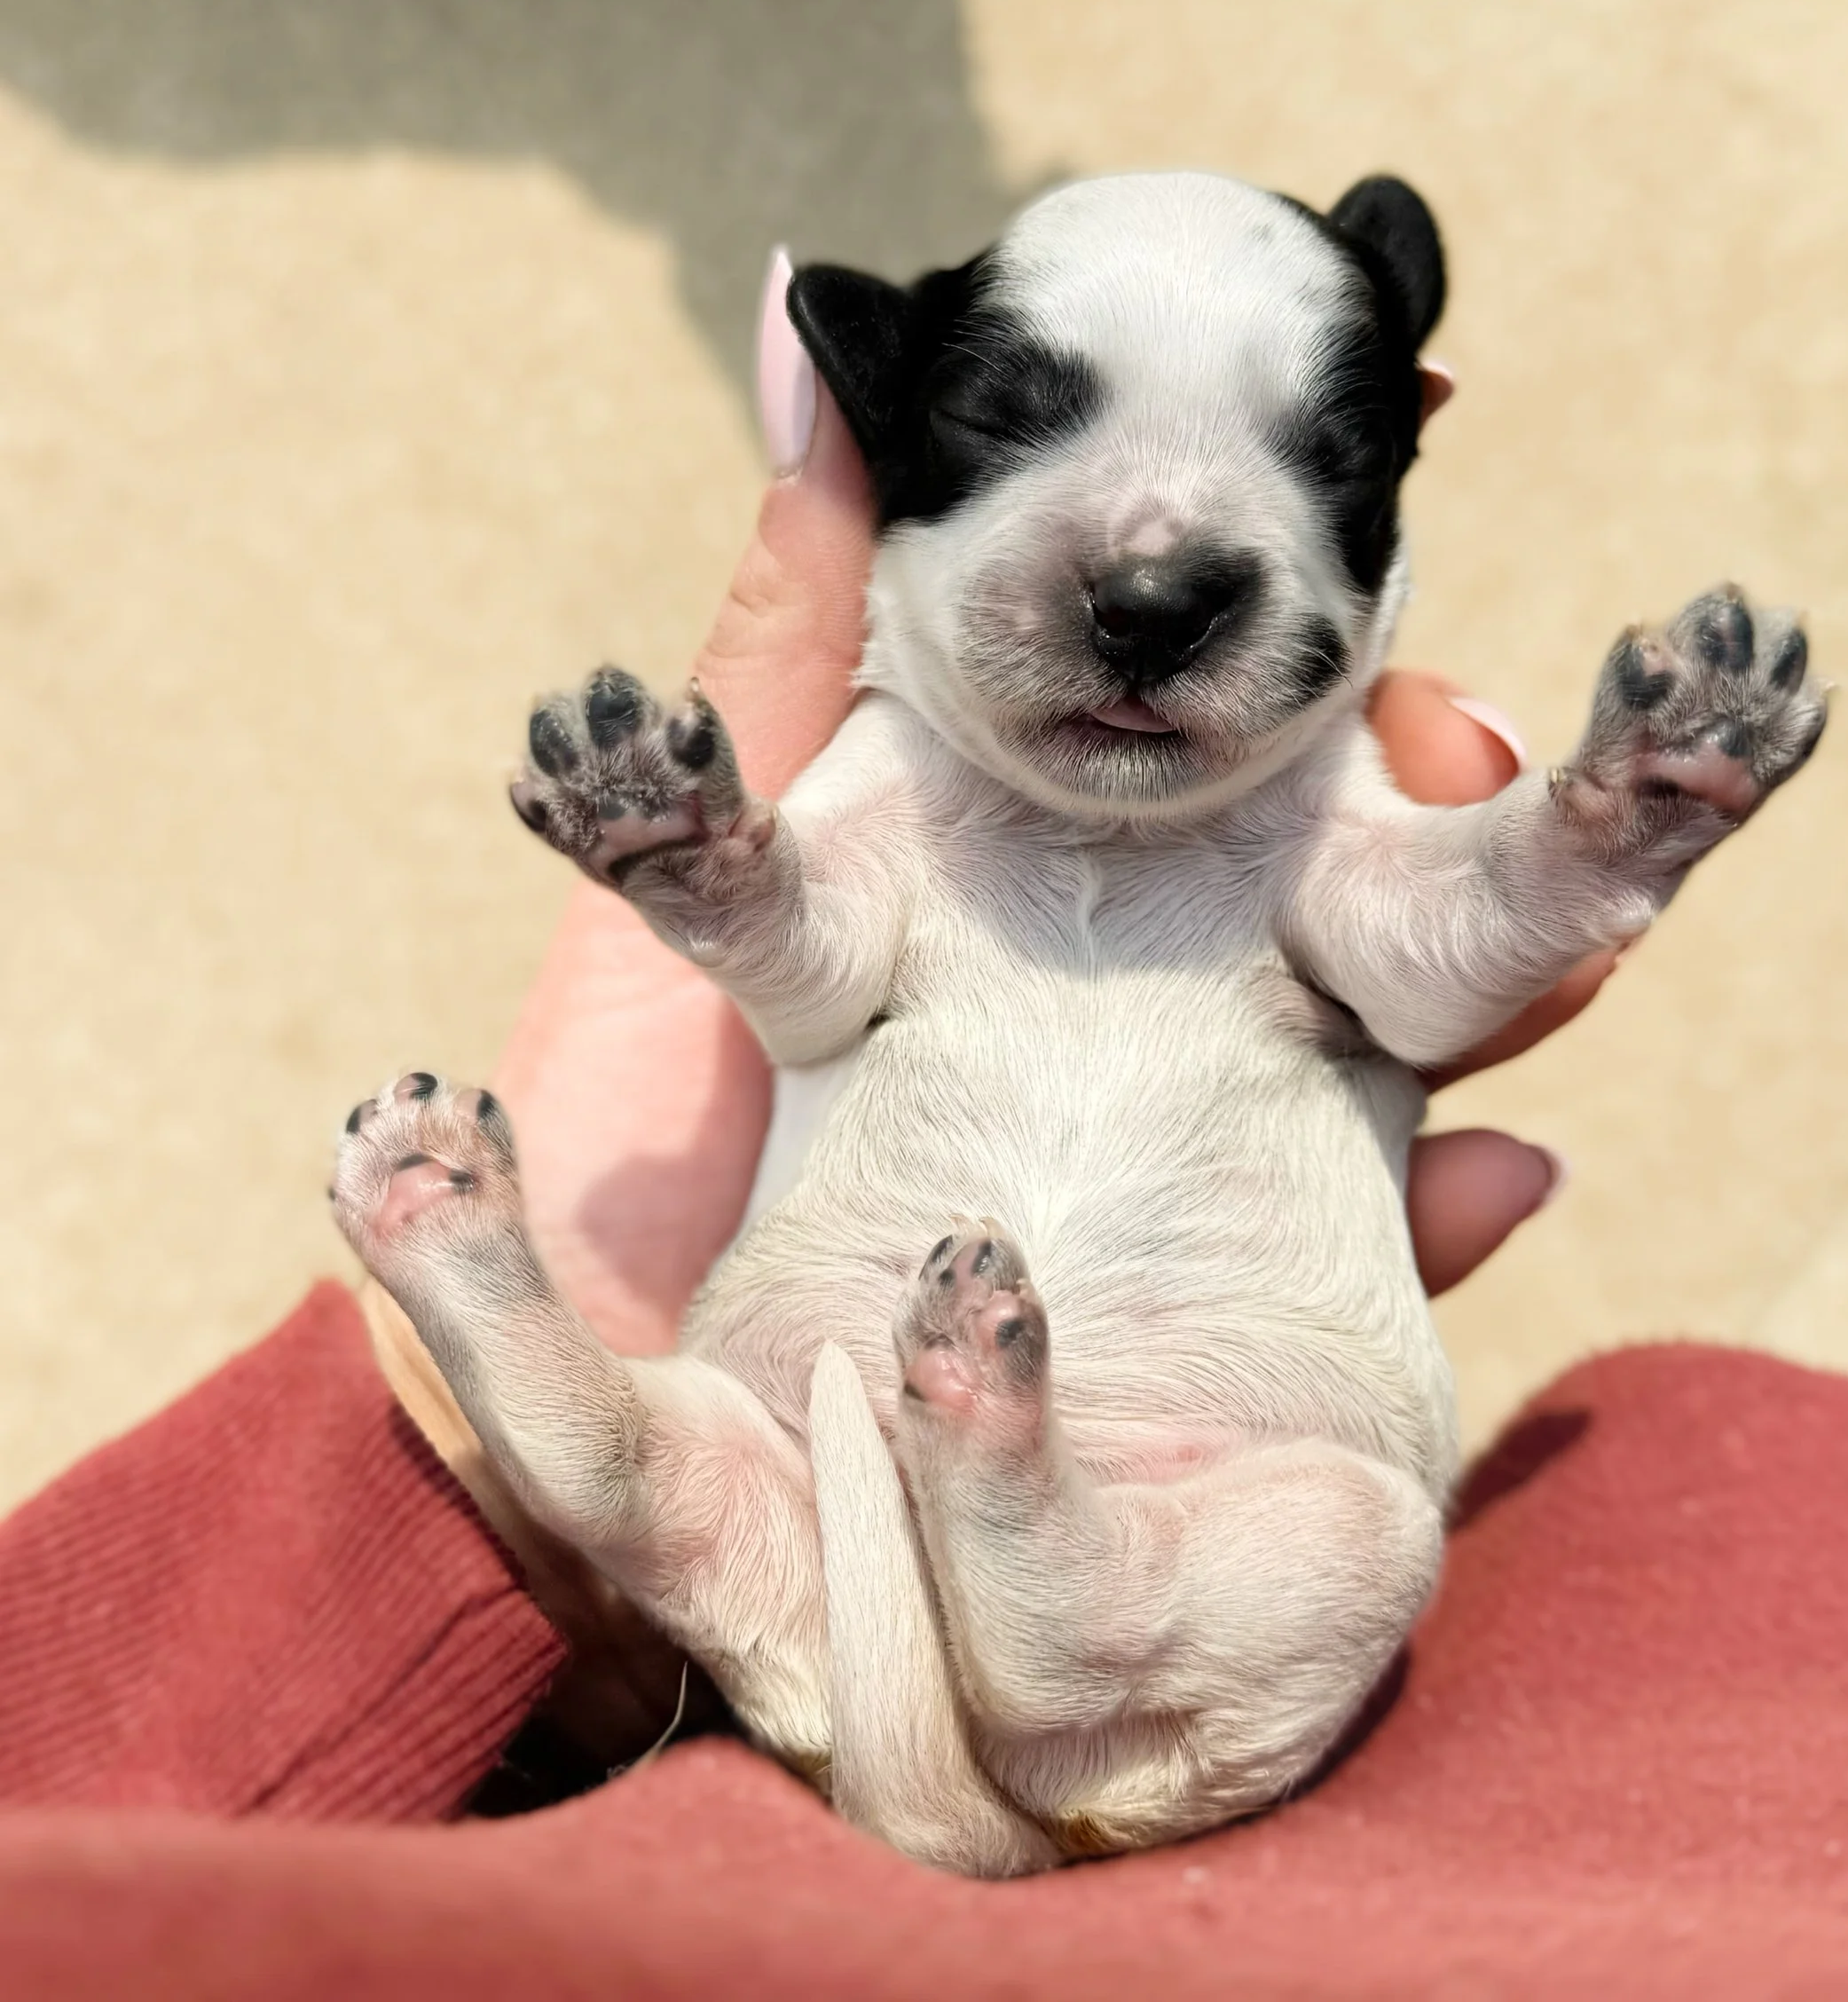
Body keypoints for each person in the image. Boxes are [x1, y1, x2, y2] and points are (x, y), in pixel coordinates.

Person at [0, 281, 1611, 1801]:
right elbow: (814, 942)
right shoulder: (911, 749)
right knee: (687, 1455)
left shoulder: (1328, 803)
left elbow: (1444, 945)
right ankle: (535, 1391)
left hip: (1156, 1619)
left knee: (1342, 1536)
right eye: (1022, 437)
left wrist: (1600, 834)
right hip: (817, 1541)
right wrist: (712, 867)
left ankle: (1030, 1569)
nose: (1143, 570)